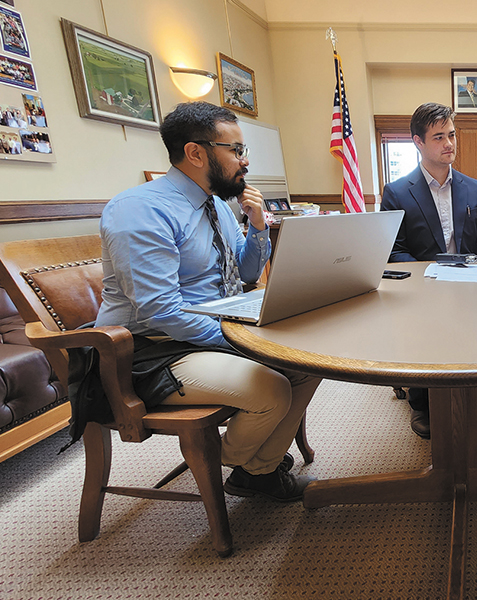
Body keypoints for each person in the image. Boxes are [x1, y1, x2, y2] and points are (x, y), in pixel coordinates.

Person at [95, 101, 321, 502]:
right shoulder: (141, 210)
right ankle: (233, 462)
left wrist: (257, 227)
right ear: (196, 152)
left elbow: (247, 274)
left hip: (209, 331)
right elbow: (162, 311)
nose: (244, 161)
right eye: (235, 150)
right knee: (272, 391)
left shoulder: (216, 203)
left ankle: (257, 470)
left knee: (308, 364)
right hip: (150, 352)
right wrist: (243, 339)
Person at [380, 102, 477, 439]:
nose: (449, 143)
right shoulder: (398, 192)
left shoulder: (473, 188)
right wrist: (432, 274)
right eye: (438, 137)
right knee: (426, 332)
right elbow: (394, 251)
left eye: (451, 135)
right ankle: (423, 404)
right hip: (422, 289)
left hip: (473, 283)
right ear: (418, 142)